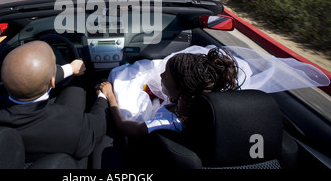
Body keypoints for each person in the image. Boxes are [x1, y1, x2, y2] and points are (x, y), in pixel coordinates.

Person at [0, 40, 108, 163]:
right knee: (78, 82)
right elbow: (98, 125)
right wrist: (103, 96)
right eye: (55, 67)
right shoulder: (76, 129)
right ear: (52, 81)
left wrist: (70, 68)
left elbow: (28, 78)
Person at [98, 47, 240, 138]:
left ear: (181, 90)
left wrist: (110, 95)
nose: (160, 76)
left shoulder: (168, 124)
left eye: (165, 75)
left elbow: (124, 127)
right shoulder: (196, 103)